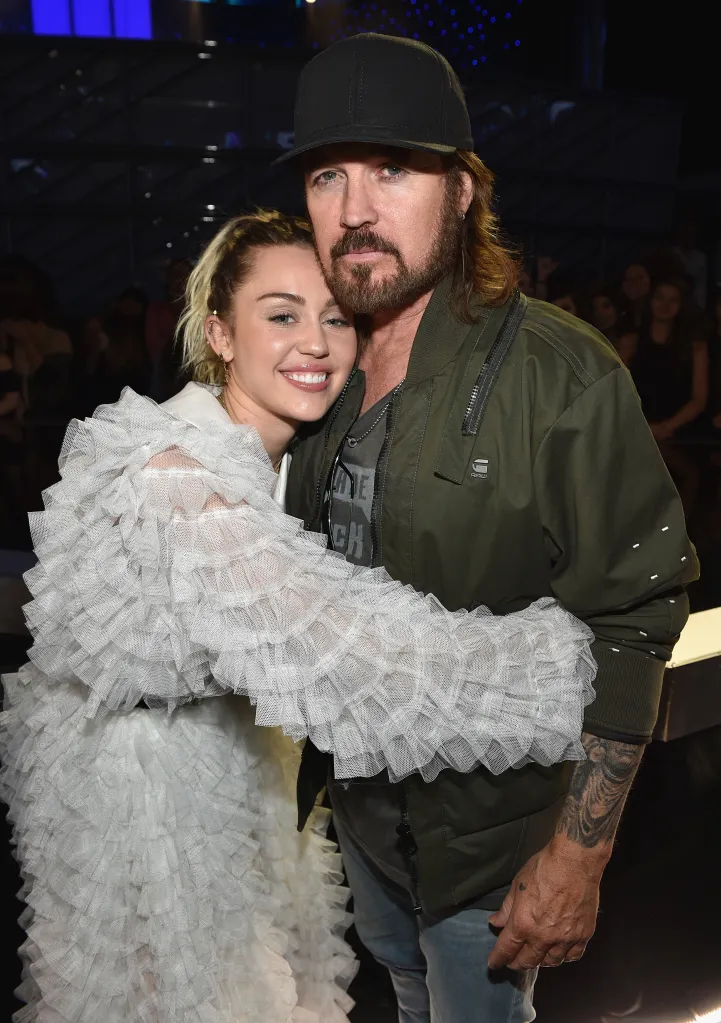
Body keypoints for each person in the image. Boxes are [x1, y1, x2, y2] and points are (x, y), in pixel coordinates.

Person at [0, 210, 596, 1023]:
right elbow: (336, 652)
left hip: (236, 767)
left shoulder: (291, 458)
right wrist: (566, 663)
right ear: (219, 331)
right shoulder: (175, 468)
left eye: (335, 318)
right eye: (280, 315)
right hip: (150, 809)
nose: (314, 342)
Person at [278, 34, 698, 1023]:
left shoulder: (558, 374)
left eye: (394, 168)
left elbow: (632, 618)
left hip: (489, 858)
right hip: (363, 824)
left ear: (465, 192)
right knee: (407, 991)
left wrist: (578, 855)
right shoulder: (312, 366)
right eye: (327, 175)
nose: (356, 209)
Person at [589, 285, 637, 358]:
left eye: (606, 306)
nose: (599, 313)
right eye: (595, 308)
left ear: (618, 308)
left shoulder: (628, 341)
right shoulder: (591, 343)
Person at [619, 260, 651, 331]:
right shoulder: (617, 315)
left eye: (639, 277)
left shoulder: (659, 312)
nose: (633, 283)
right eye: (628, 279)